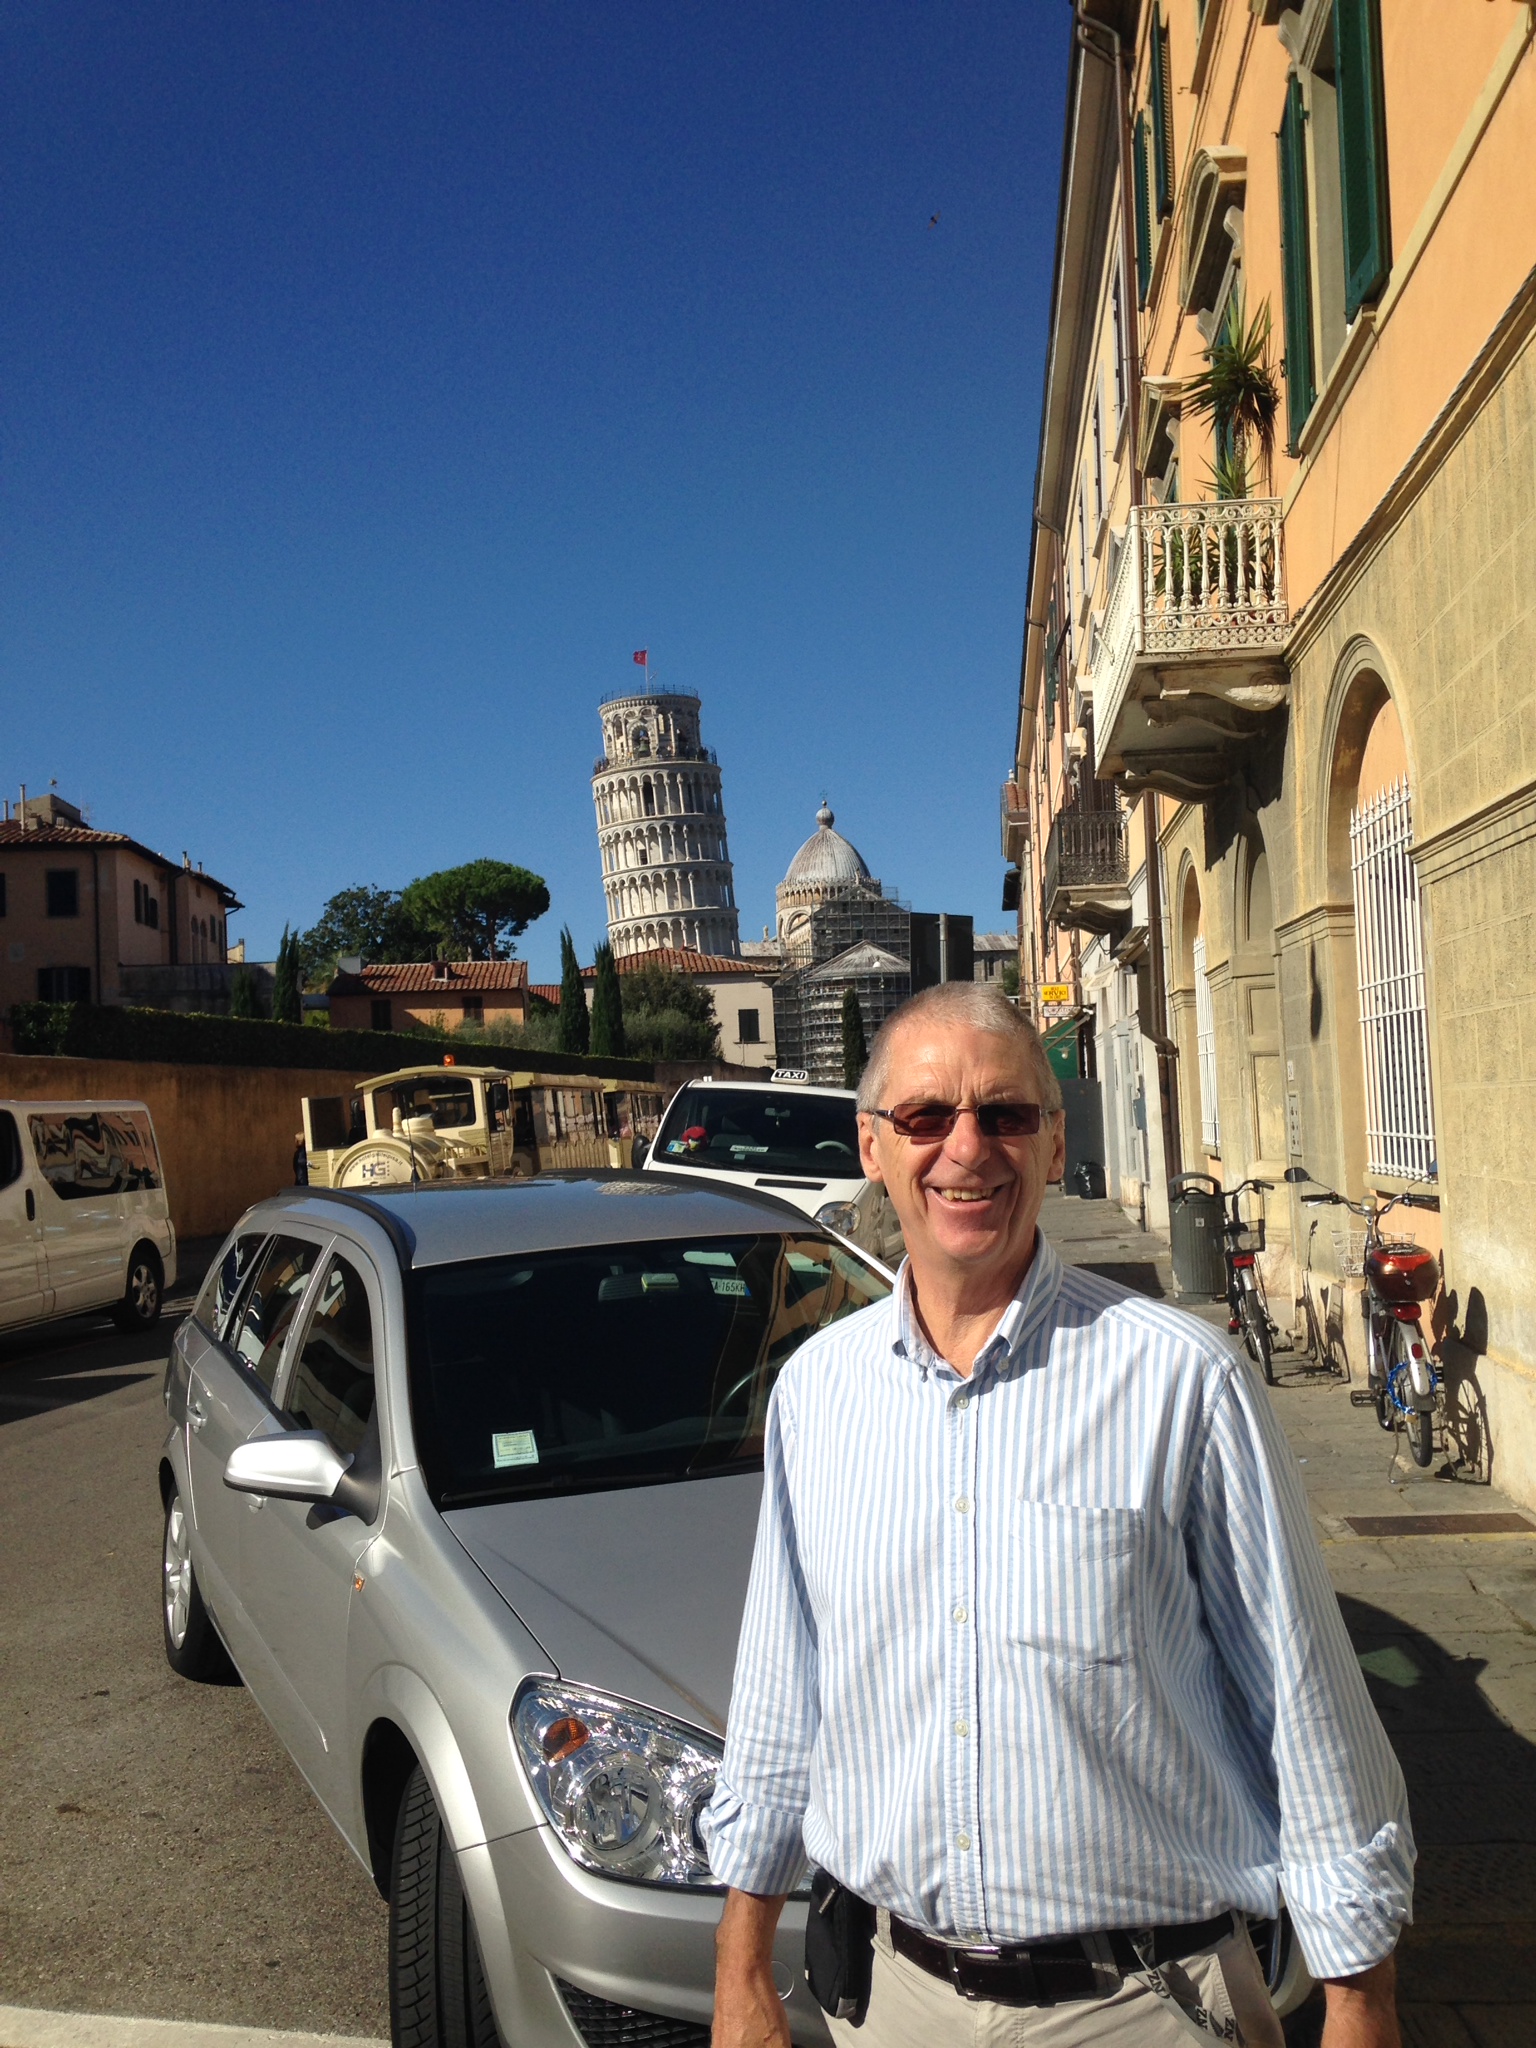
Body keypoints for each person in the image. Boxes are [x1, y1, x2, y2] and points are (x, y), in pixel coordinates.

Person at [703, 982, 1411, 2048]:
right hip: (892, 2004)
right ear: (873, 1147)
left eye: (1004, 1113)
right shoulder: (817, 1394)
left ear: (1052, 1140)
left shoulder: (1183, 1380)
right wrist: (741, 1962)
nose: (966, 1148)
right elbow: (780, 1697)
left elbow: (1303, 1702)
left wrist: (1361, 2001)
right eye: (926, 1115)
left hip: (1145, 2005)